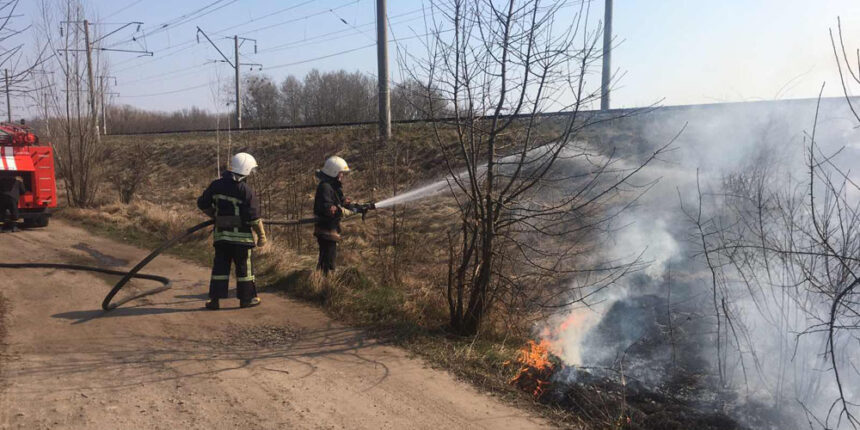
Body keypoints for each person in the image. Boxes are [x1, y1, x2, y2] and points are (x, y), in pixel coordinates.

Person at [197, 153, 267, 310]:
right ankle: (246, 299)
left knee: (220, 268)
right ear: (246, 170)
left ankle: (214, 300)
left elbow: (202, 203)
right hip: (241, 240)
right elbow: (253, 217)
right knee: (244, 269)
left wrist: (214, 215)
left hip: (221, 237)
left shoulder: (216, 185)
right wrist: (262, 236)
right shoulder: (245, 190)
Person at [313, 156, 356, 275]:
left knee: (327, 258)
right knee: (327, 260)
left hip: (331, 229)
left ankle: (320, 281)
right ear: (334, 172)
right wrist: (341, 210)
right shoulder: (325, 187)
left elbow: (339, 200)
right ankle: (324, 285)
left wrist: (350, 205)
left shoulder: (334, 186)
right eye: (341, 173)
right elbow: (328, 209)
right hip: (326, 230)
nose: (342, 176)